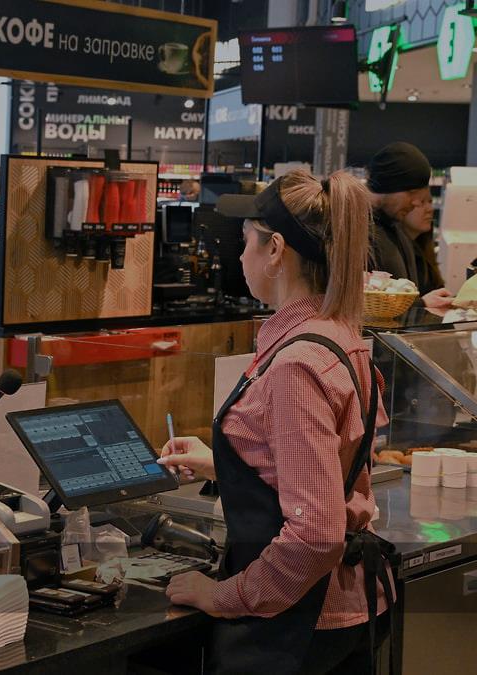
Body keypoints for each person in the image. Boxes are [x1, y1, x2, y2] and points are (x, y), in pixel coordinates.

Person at [158, 170, 396, 674]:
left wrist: (223, 595)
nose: (240, 255)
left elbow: (316, 535)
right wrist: (222, 464)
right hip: (349, 608)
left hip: (296, 624)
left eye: (246, 240)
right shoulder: (340, 336)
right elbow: (327, 465)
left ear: (275, 250)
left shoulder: (295, 364)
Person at [367, 141, 451, 308]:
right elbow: (360, 302)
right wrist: (422, 304)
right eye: (412, 193)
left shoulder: (394, 228)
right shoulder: (358, 231)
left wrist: (421, 303)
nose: (416, 203)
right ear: (391, 186)